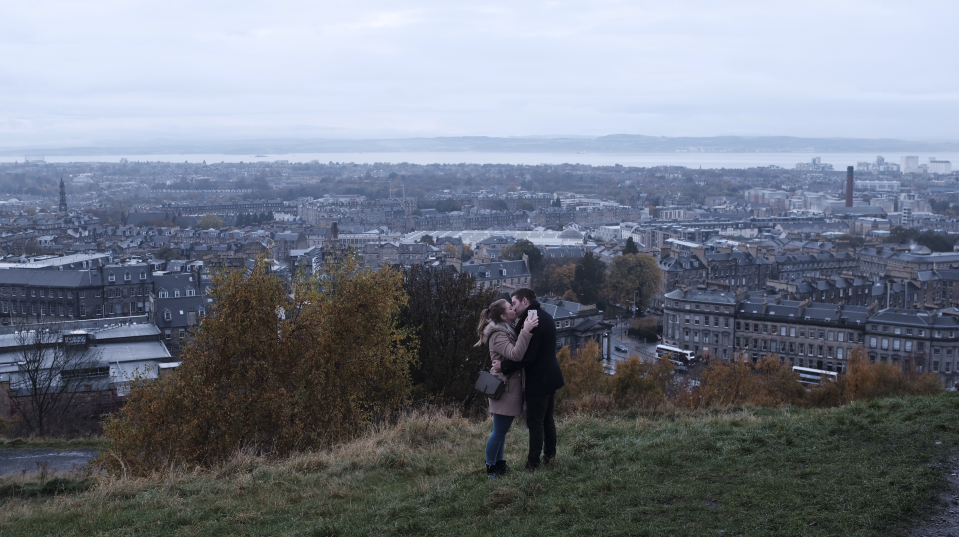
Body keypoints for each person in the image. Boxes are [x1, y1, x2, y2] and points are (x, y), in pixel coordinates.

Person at [493, 288, 564, 472]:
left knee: (535, 422)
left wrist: (504, 366)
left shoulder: (533, 321)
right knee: (547, 419)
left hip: (539, 380)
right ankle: (550, 456)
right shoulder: (545, 316)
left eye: (515, 303)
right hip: (551, 376)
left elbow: (527, 357)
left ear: (525, 301)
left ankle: (533, 463)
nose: (514, 308)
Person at [475, 298, 539, 479]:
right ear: (503, 316)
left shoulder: (506, 329)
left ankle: (499, 464)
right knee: (498, 432)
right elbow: (515, 354)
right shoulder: (498, 335)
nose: (514, 309)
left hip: (507, 387)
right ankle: (491, 468)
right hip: (504, 389)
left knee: (501, 431)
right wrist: (526, 331)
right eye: (511, 307)